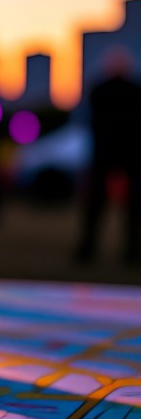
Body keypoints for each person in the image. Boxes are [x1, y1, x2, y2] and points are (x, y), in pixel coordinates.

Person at [76, 48, 141, 264]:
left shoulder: (101, 90)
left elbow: (90, 120)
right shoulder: (132, 90)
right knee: (127, 208)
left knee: (100, 204)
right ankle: (130, 253)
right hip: (126, 152)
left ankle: (89, 250)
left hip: (109, 152)